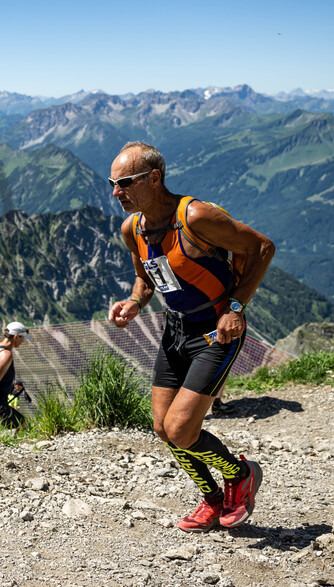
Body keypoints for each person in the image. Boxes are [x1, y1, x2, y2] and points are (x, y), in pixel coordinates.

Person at [106, 141, 275, 533]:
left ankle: (240, 475)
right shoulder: (133, 229)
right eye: (112, 184)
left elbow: (262, 248)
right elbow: (146, 278)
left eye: (125, 183)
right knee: (163, 427)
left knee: (182, 429)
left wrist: (236, 307)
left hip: (216, 331)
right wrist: (134, 301)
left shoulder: (196, 217)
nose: (116, 192)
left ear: (154, 178)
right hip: (175, 330)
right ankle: (213, 500)